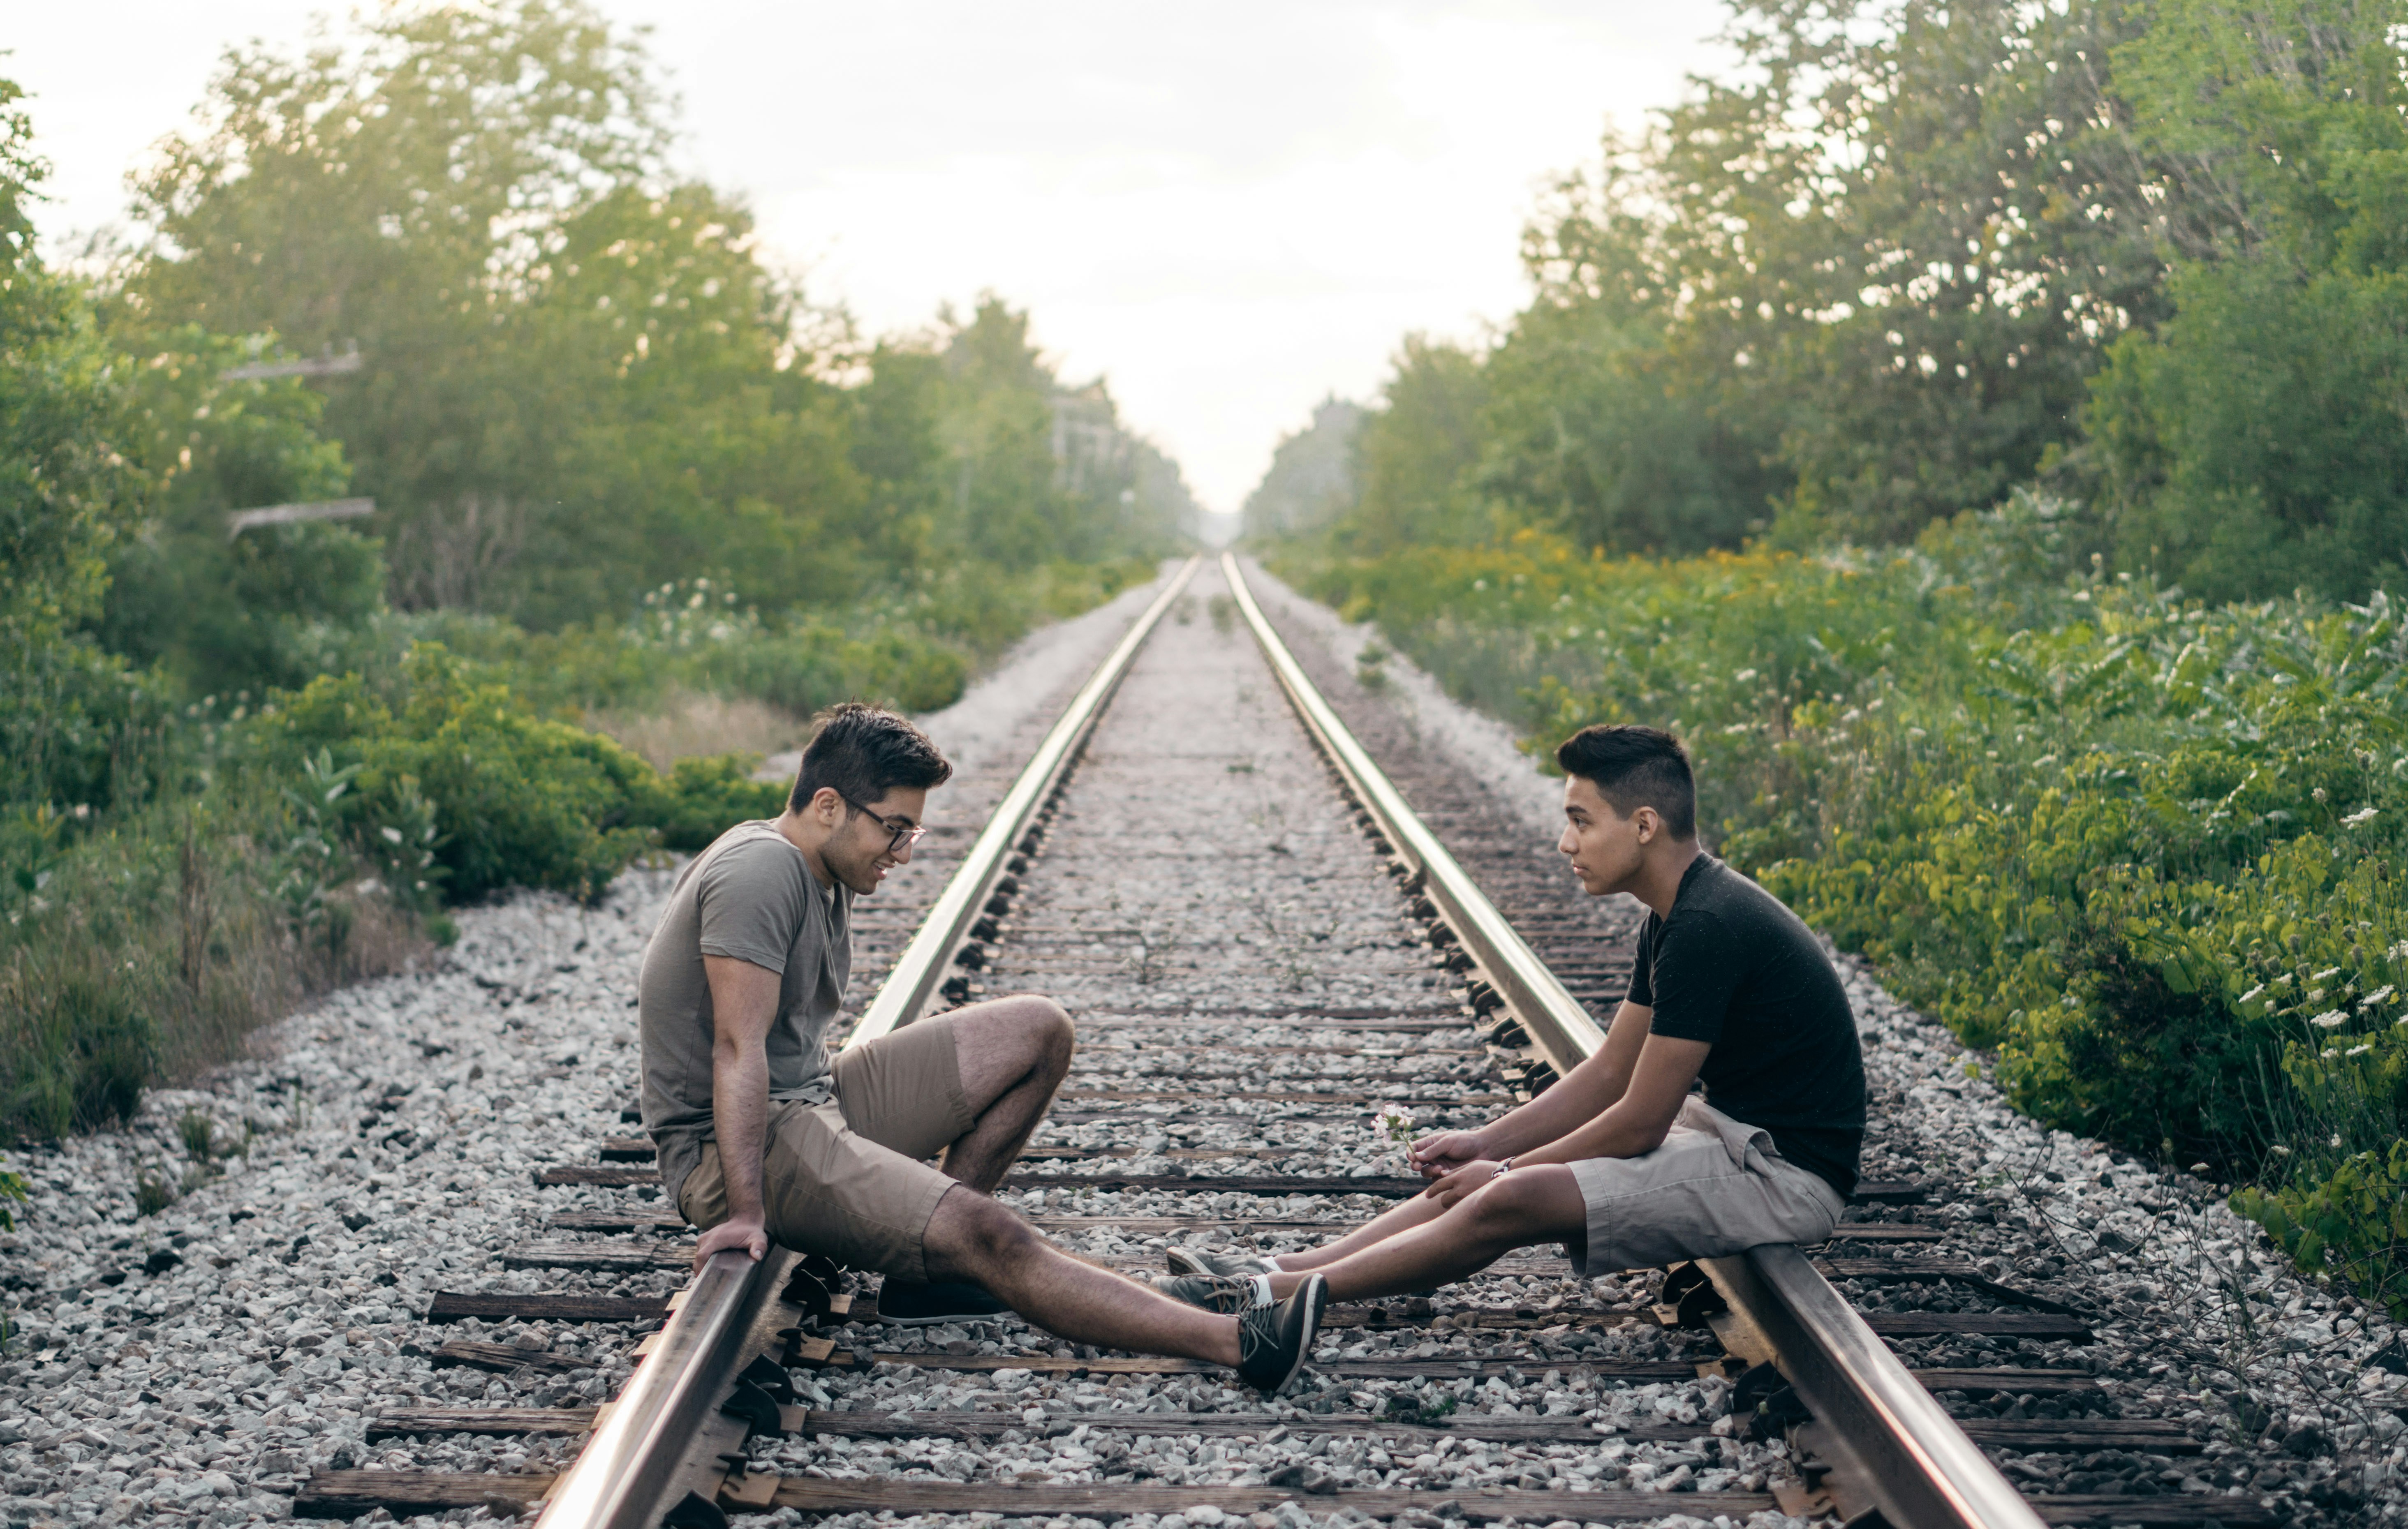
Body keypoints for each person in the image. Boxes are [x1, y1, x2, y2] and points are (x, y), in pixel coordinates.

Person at [638, 702, 1327, 1392]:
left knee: (1038, 1029)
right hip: (731, 1147)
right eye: (894, 828)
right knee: (990, 1232)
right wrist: (746, 1211)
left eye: (913, 830)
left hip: (811, 1100)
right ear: (827, 805)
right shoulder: (762, 870)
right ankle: (1241, 1343)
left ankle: (929, 1276)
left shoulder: (821, 868)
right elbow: (736, 1048)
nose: (903, 852)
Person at [1149, 723, 1865, 1312]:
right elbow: (1612, 1070)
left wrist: (1507, 1168)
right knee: (1495, 1177)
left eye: (1581, 822)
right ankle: (1280, 1267)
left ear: (1644, 825)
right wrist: (1484, 1142)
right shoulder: (1680, 913)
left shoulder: (1706, 925)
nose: (1566, 843)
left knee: (1513, 1193)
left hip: (1786, 1175)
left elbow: (1640, 1120)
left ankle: (1272, 1295)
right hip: (1735, 1136)